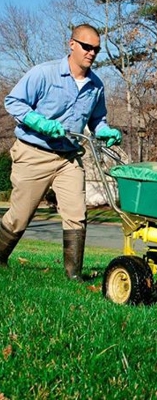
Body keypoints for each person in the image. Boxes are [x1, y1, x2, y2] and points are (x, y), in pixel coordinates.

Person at [1, 24, 122, 281]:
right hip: (34, 152)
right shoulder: (44, 74)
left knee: (77, 214)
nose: (91, 53)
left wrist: (104, 131)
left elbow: (97, 120)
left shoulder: (96, 86)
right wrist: (39, 123)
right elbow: (13, 101)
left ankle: (73, 276)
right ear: (72, 44)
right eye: (87, 47)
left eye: (96, 49)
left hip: (69, 158)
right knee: (19, 218)